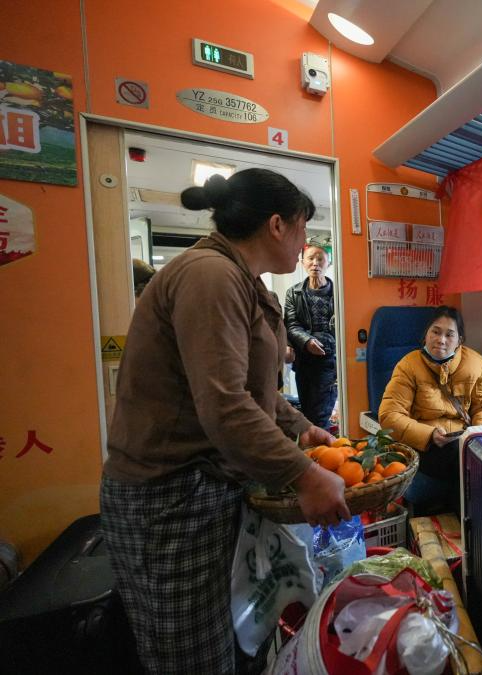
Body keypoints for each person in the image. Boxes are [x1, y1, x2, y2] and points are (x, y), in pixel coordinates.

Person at [101, 169, 351, 675]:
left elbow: (255, 390)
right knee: (193, 657)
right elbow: (225, 405)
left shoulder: (243, 281)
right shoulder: (210, 277)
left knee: (231, 638)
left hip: (207, 488)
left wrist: (301, 427)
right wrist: (304, 474)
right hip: (171, 498)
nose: (307, 242)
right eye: (303, 228)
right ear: (277, 225)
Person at [379, 305, 482, 513]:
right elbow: (390, 415)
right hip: (423, 446)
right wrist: (429, 434)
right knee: (464, 461)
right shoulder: (408, 365)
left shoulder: (476, 363)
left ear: (459, 340)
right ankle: (464, 521)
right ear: (426, 334)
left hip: (463, 441)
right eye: (435, 332)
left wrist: (477, 436)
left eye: (449, 335)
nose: (441, 340)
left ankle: (468, 522)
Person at [284, 244, 337, 428]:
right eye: (311, 258)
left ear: (328, 263)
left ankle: (322, 444)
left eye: (320, 259)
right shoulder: (294, 293)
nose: (315, 263)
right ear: (302, 262)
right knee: (307, 413)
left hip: (329, 360)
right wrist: (307, 341)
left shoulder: (339, 292)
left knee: (320, 416)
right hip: (304, 360)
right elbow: (291, 324)